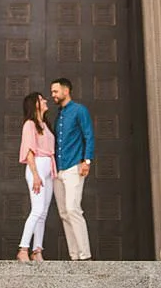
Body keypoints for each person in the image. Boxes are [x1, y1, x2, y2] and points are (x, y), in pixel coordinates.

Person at [48, 77, 95, 260]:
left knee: (73, 209)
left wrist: (87, 161)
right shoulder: (59, 114)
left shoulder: (79, 110)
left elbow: (88, 135)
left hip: (74, 167)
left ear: (66, 91)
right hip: (58, 171)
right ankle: (74, 255)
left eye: (55, 91)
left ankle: (85, 256)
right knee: (63, 213)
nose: (53, 95)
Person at [15, 91, 55, 262]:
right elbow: (29, 151)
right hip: (37, 167)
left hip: (48, 168)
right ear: (35, 104)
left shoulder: (45, 124)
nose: (45, 100)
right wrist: (35, 174)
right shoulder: (30, 125)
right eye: (41, 99)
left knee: (43, 212)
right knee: (37, 210)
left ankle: (37, 250)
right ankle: (23, 249)